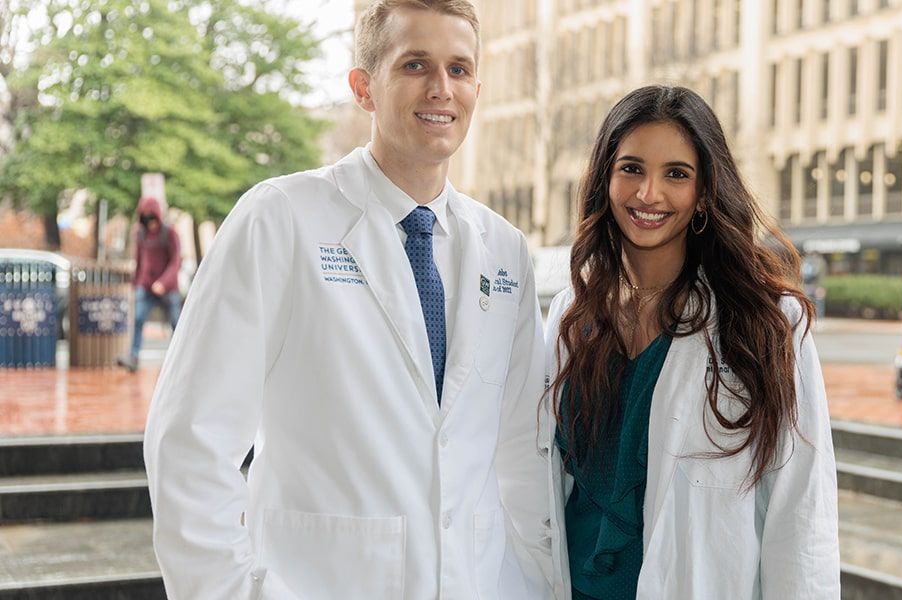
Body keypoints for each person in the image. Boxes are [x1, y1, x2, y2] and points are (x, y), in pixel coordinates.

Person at [144, 1, 553, 597]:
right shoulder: (280, 219)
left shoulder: (504, 250)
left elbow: (522, 456)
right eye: (416, 64)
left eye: (459, 69)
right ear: (363, 88)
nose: (442, 89)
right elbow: (190, 442)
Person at [543, 85, 840, 599]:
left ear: (704, 191)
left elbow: (801, 512)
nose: (649, 194)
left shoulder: (767, 323)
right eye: (631, 168)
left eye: (676, 174)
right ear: (604, 179)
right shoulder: (572, 314)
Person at [116, 195, 182, 373]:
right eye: (145, 217)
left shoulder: (170, 233)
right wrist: (136, 283)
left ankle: (182, 358)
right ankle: (133, 356)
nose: (149, 221)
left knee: (177, 322)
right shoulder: (140, 234)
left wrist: (163, 282)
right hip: (145, 286)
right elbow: (139, 260)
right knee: (137, 319)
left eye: (151, 216)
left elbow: (176, 261)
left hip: (167, 288)